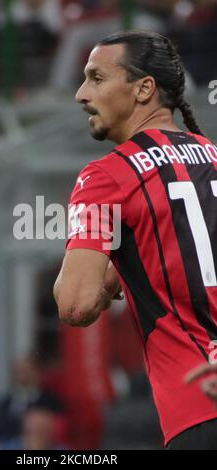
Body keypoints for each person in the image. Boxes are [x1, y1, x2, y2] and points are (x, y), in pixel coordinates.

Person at [53, 30, 217, 450]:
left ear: (144, 89)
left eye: (96, 78)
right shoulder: (214, 157)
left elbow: (75, 303)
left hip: (199, 408)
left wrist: (109, 274)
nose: (81, 93)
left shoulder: (106, 177)